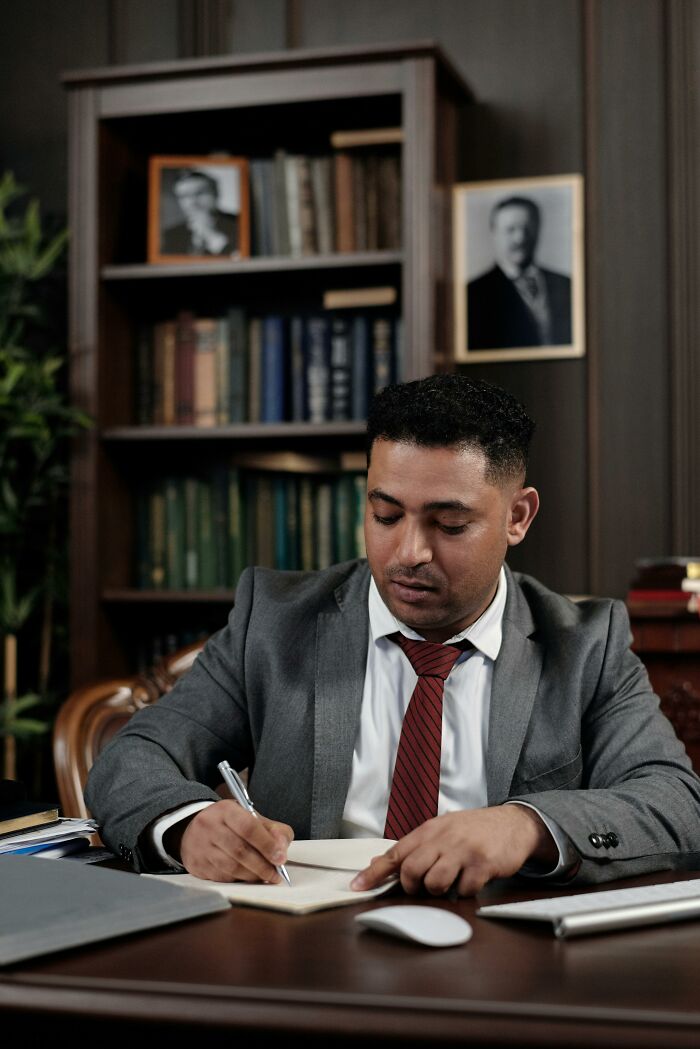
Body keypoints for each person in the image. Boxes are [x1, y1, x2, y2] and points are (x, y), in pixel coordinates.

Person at [85, 375, 700, 897]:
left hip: (501, 958)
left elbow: (676, 802)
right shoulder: (274, 621)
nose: (409, 552)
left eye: (450, 524)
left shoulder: (586, 646)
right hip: (303, 953)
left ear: (517, 517)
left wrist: (525, 827)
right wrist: (189, 824)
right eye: (385, 516)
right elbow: (133, 758)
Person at [467, 196, 572, 351]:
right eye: (511, 230)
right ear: (494, 233)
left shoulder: (566, 284)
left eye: (527, 229)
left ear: (538, 230)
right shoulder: (474, 293)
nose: (520, 238)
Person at [161, 168, 239, 257]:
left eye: (200, 193)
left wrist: (212, 235)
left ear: (216, 193)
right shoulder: (171, 235)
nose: (192, 202)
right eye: (184, 196)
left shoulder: (239, 223)